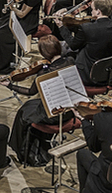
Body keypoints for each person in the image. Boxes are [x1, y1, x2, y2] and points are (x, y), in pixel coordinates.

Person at [6, 36, 76, 166]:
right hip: (69, 109)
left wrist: (10, 85)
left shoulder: (45, 73)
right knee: (29, 105)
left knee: (23, 113)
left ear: (44, 53)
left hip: (53, 114)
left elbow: (30, 92)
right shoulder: (70, 61)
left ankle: (24, 153)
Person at [64, 0, 112, 86]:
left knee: (65, 52)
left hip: (88, 73)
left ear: (98, 12)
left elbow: (73, 46)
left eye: (92, 9)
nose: (91, 11)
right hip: (106, 73)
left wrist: (62, 28)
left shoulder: (87, 28)